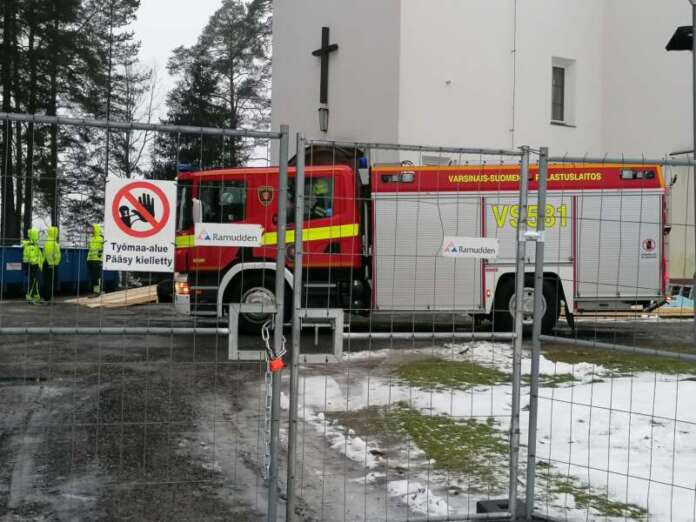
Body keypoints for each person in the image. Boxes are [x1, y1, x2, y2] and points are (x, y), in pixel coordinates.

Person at [23, 228, 43, 304]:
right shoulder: (32, 246)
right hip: (34, 266)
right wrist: (38, 264)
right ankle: (31, 297)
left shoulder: (33, 245)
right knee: (35, 282)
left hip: (32, 266)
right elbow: (32, 258)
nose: (38, 236)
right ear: (34, 235)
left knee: (34, 282)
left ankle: (34, 297)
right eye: (37, 234)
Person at [42, 226, 61, 300]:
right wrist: (56, 263)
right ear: (54, 234)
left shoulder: (46, 243)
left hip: (45, 264)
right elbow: (58, 255)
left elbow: (44, 254)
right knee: (52, 282)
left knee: (46, 281)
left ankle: (45, 297)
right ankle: (49, 298)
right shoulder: (55, 244)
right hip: (52, 264)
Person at [87, 224, 104, 295]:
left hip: (97, 260)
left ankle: (97, 291)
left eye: (93, 229)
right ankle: (95, 291)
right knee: (92, 276)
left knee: (96, 277)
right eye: (91, 229)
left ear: (96, 229)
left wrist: (99, 255)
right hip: (90, 259)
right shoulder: (91, 239)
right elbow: (89, 248)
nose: (92, 230)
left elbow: (102, 248)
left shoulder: (101, 238)